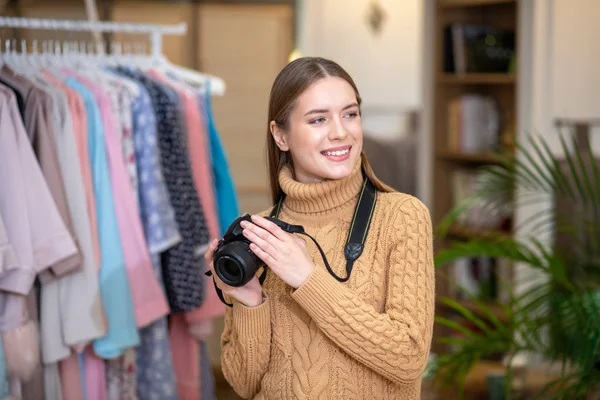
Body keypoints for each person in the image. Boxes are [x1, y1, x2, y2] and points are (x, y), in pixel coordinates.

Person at [205, 57, 435, 399]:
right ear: (280, 135)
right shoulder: (263, 236)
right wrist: (248, 302)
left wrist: (307, 278)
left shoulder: (401, 216)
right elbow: (244, 383)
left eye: (350, 114)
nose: (341, 132)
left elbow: (408, 357)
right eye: (318, 119)